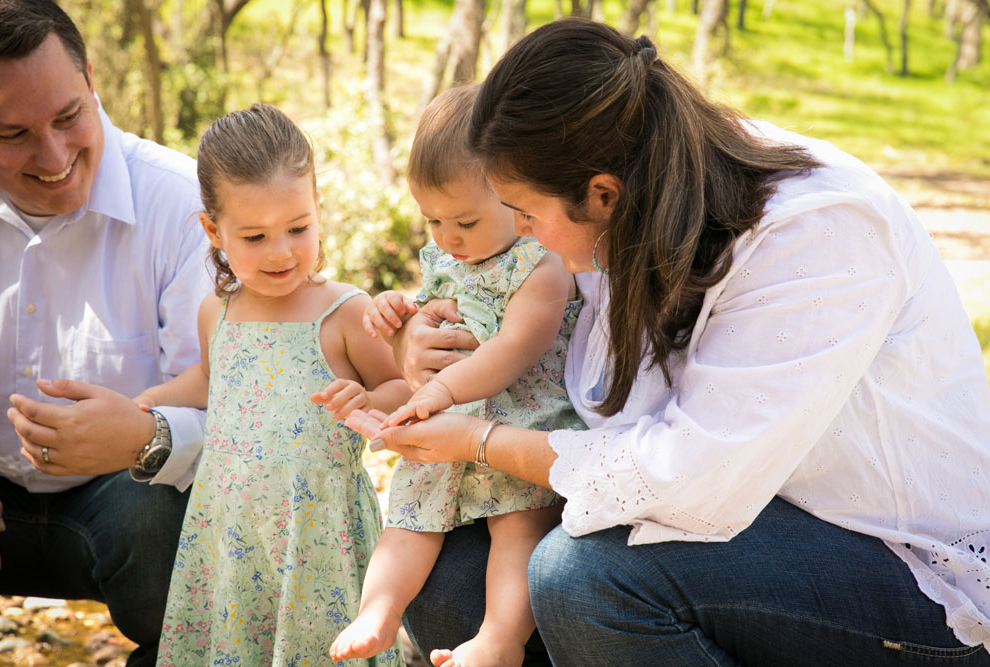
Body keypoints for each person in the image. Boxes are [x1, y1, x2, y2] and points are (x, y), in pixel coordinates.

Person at [341, 18, 990, 666]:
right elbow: (553, 356)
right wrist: (432, 347)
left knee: (580, 577)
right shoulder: (628, 201)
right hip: (736, 522)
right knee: (451, 586)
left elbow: (685, 478)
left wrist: (481, 441)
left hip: (896, 564)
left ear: (601, 193)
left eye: (527, 217)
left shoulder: (815, 230)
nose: (517, 235)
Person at [133, 103, 409, 666]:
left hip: (317, 535)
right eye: (255, 236)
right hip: (231, 529)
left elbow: (405, 391)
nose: (281, 251)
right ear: (214, 230)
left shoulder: (345, 312)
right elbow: (212, 380)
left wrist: (370, 399)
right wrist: (148, 402)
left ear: (316, 211)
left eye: (298, 228)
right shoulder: (217, 311)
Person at [324, 84, 583, 667]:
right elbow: (434, 317)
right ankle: (379, 613)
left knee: (518, 533)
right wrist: (397, 315)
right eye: (433, 220)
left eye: (465, 220)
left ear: (515, 200)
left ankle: (499, 639)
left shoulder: (539, 263)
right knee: (408, 520)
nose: (447, 238)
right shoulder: (446, 256)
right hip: (449, 428)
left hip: (521, 425)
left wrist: (442, 389)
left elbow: (515, 346)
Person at [0, 0, 209, 664]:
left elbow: (242, 406)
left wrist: (148, 436)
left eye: (67, 117)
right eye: (12, 133)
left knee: (162, 527)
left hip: (132, 498)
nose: (53, 155)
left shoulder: (183, 202)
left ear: (92, 81)